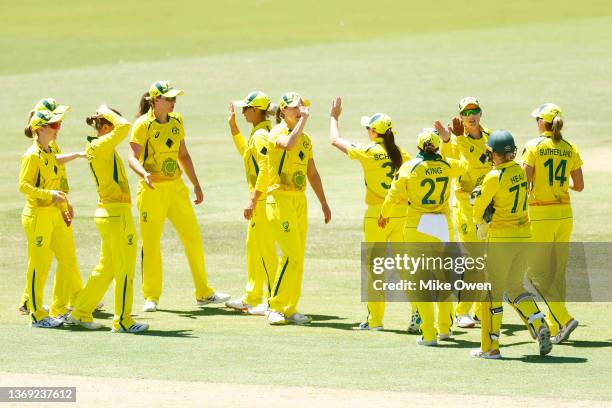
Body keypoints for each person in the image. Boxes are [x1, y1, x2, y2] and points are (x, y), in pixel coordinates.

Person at [128, 80, 229, 312]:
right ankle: (151, 296)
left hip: (176, 188)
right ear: (155, 100)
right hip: (152, 191)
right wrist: (143, 173)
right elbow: (132, 157)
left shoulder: (177, 121)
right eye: (169, 98)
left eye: (175, 98)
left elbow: (183, 154)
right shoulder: (142, 125)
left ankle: (204, 293)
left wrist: (196, 184)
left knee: (192, 238)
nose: (173, 102)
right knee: (151, 244)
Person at [329, 96, 419, 332]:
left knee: (375, 267)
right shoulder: (400, 153)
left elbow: (335, 140)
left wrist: (334, 117)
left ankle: (375, 321)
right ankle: (418, 315)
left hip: (376, 216)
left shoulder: (368, 151)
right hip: (401, 214)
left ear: (373, 132)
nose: (366, 131)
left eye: (368, 128)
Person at [379, 129, 467, 345]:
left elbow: (393, 193)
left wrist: (384, 214)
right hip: (441, 225)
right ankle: (445, 329)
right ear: (436, 146)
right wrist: (456, 140)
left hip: (418, 224)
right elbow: (467, 166)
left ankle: (428, 334)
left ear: (418, 147)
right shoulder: (448, 165)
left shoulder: (410, 167)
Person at [470, 129, 552, 359]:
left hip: (501, 238)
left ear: (493, 153)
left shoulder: (494, 176)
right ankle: (539, 323)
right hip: (525, 235)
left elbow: (478, 209)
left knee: (491, 295)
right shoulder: (518, 170)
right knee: (515, 287)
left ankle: (490, 347)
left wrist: (480, 224)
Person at [66, 105, 148, 333]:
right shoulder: (101, 145)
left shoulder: (98, 146)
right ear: (103, 127)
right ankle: (123, 321)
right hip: (116, 214)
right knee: (125, 268)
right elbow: (125, 127)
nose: (114, 131)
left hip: (109, 213)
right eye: (110, 125)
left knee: (106, 268)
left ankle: (80, 311)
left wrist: (105, 115)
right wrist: (104, 110)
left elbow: (120, 128)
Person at [264, 92, 331, 325]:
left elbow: (312, 173)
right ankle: (274, 306)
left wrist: (323, 202)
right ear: (283, 111)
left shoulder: (306, 139)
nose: (301, 110)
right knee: (290, 253)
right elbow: (288, 144)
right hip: (278, 199)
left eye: (302, 107)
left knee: (298, 257)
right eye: (295, 107)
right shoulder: (276, 133)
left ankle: (290, 308)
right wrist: (303, 120)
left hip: (298, 200)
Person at [18, 99, 86, 316]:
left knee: (66, 259)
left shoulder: (50, 146)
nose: (59, 125)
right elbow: (23, 185)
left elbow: (56, 169)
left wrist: (65, 202)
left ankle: (65, 303)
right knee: (41, 262)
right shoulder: (33, 153)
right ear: (42, 125)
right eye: (55, 122)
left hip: (55, 211)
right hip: (39, 213)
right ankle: (33, 307)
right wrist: (51, 195)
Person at [523, 103, 583, 344]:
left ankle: (564, 319)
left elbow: (523, 183)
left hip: (540, 216)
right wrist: (559, 187)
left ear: (541, 122)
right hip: (564, 215)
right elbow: (578, 186)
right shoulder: (570, 148)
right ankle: (554, 322)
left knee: (534, 274)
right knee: (557, 273)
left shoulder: (533, 146)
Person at [435, 97, 490, 328]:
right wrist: (448, 139)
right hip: (465, 203)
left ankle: (480, 310)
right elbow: (446, 159)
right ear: (461, 116)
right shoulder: (456, 138)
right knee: (473, 259)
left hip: (487, 203)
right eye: (467, 112)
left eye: (475, 110)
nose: (471, 115)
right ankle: (461, 312)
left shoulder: (489, 136)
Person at [226, 91, 278, 315]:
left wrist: (253, 199)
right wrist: (234, 128)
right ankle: (252, 296)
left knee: (265, 252)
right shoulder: (259, 133)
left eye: (245, 108)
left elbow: (266, 168)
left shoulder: (261, 136)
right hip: (262, 199)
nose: (243, 111)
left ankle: (273, 300)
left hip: (263, 200)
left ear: (256, 111)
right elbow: (247, 153)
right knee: (254, 249)